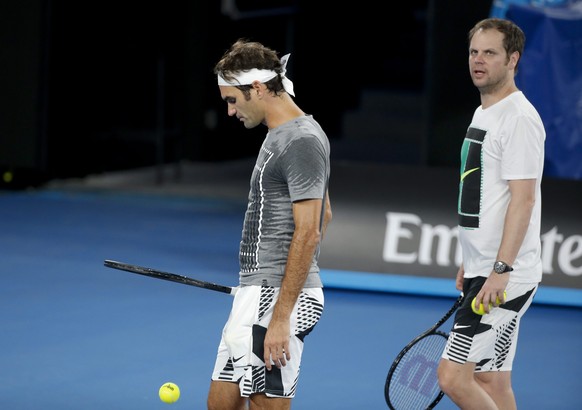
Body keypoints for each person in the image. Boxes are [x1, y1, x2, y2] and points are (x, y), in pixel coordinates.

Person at [207, 39, 332, 410]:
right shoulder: (283, 134)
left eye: (233, 99)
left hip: (274, 298)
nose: (229, 111)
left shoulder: (301, 141)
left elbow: (310, 230)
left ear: (258, 88)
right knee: (221, 403)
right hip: (259, 292)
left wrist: (280, 315)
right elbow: (325, 214)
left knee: (266, 406)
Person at [437, 18, 545, 410]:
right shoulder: (485, 112)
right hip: (486, 268)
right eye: (473, 52)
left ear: (513, 59)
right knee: (491, 380)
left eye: (490, 53)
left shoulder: (518, 118)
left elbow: (523, 200)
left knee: (452, 376)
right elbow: (484, 196)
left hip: (504, 277)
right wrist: (473, 260)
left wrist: (499, 268)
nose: (478, 61)